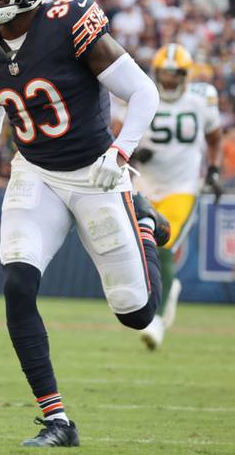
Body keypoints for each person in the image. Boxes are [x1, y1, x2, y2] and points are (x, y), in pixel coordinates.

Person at [0, 0, 170, 448]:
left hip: (96, 171)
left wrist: (121, 153)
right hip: (35, 173)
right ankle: (57, 421)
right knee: (18, 286)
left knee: (136, 314)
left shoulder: (69, 23)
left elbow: (142, 91)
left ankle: (141, 220)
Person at [121, 43, 222, 350]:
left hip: (182, 187)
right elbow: (123, 138)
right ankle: (167, 288)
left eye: (174, 74)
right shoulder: (143, 96)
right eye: (164, 73)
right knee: (138, 251)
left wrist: (214, 170)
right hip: (146, 187)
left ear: (185, 75)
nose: (168, 80)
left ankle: (158, 320)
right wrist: (137, 151)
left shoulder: (200, 101)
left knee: (163, 246)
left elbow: (215, 138)